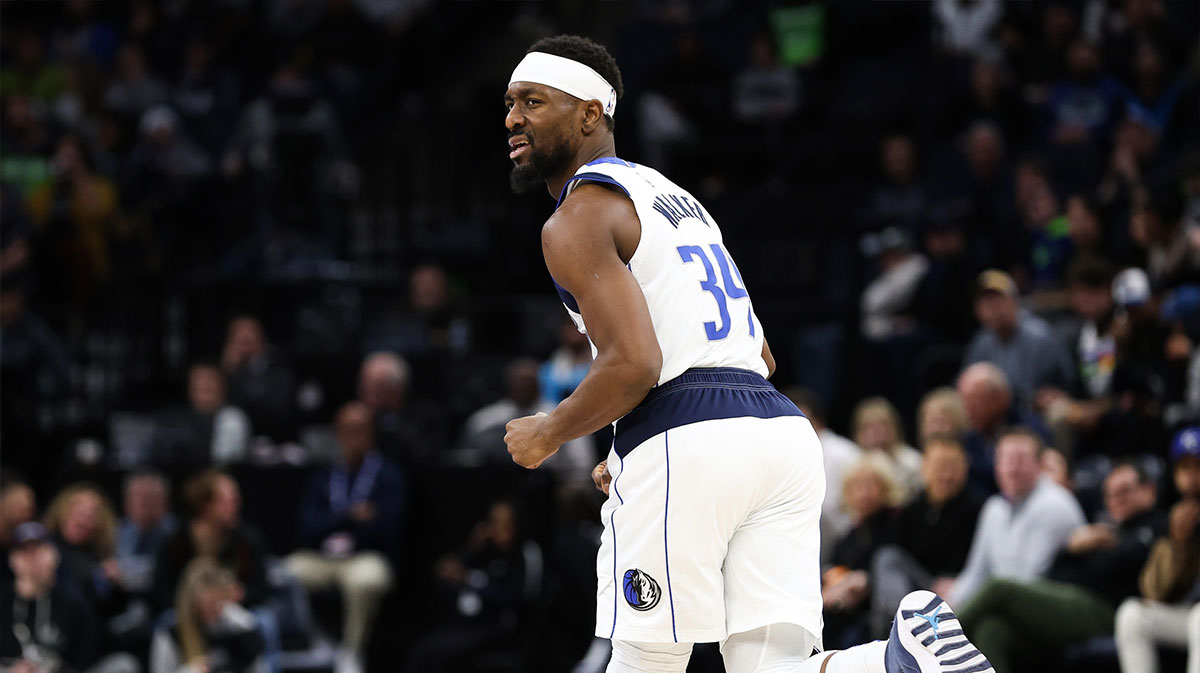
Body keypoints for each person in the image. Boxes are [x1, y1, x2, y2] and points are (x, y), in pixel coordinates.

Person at [500, 34, 992, 673]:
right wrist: (636, 441)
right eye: (510, 102)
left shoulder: (576, 217)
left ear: (591, 114)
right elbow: (757, 349)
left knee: (644, 661)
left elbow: (636, 364)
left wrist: (551, 432)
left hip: (690, 436)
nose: (512, 117)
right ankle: (899, 660)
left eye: (533, 102)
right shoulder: (677, 201)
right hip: (779, 434)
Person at [957, 460, 1164, 673]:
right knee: (991, 629)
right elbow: (1061, 565)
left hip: (1104, 609)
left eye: (1124, 491)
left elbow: (1113, 566)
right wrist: (1074, 548)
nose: (1116, 500)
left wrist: (1091, 547)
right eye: (1110, 494)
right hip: (1067, 601)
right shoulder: (1107, 530)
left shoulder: (1154, 526)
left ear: (1148, 491)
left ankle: (935, 640)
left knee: (1000, 587)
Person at [286, 402, 404, 673]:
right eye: (348, 431)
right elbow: (307, 527)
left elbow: (386, 528)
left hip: (366, 557)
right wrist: (351, 517)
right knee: (287, 573)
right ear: (338, 434)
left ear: (371, 434)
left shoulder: (388, 476)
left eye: (360, 430)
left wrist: (337, 524)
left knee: (365, 580)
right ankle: (315, 641)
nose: (354, 438)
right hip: (324, 558)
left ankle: (351, 653)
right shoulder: (325, 476)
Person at [943, 428, 1086, 609]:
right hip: (1005, 599)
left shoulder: (1054, 503)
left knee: (992, 623)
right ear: (996, 466)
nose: (1013, 468)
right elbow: (977, 570)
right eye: (1007, 459)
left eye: (1021, 459)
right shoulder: (993, 508)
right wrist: (951, 602)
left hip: (1051, 603)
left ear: (1039, 465)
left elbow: (1030, 578)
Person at [869, 436, 986, 639]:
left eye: (953, 467)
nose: (946, 475)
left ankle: (900, 635)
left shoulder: (979, 508)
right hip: (918, 587)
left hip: (960, 589)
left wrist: (959, 583)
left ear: (964, 469)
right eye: (939, 466)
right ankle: (902, 629)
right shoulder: (912, 509)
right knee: (887, 558)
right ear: (924, 469)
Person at [1114, 427, 1200, 673]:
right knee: (1131, 615)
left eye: (1198, 466)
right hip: (1187, 616)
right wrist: (1178, 544)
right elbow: (1153, 591)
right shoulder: (1175, 517)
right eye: (1185, 468)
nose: (1192, 477)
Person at [1, 521, 140, 673]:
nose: (33, 558)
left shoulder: (74, 605)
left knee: (123, 664)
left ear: (55, 555)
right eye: (24, 551)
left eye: (39, 549)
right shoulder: (3, 602)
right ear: (12, 559)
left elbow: (85, 659)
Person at [149, 558, 266, 673]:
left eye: (216, 603)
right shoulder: (170, 632)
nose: (210, 612)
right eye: (205, 605)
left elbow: (258, 665)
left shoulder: (239, 625)